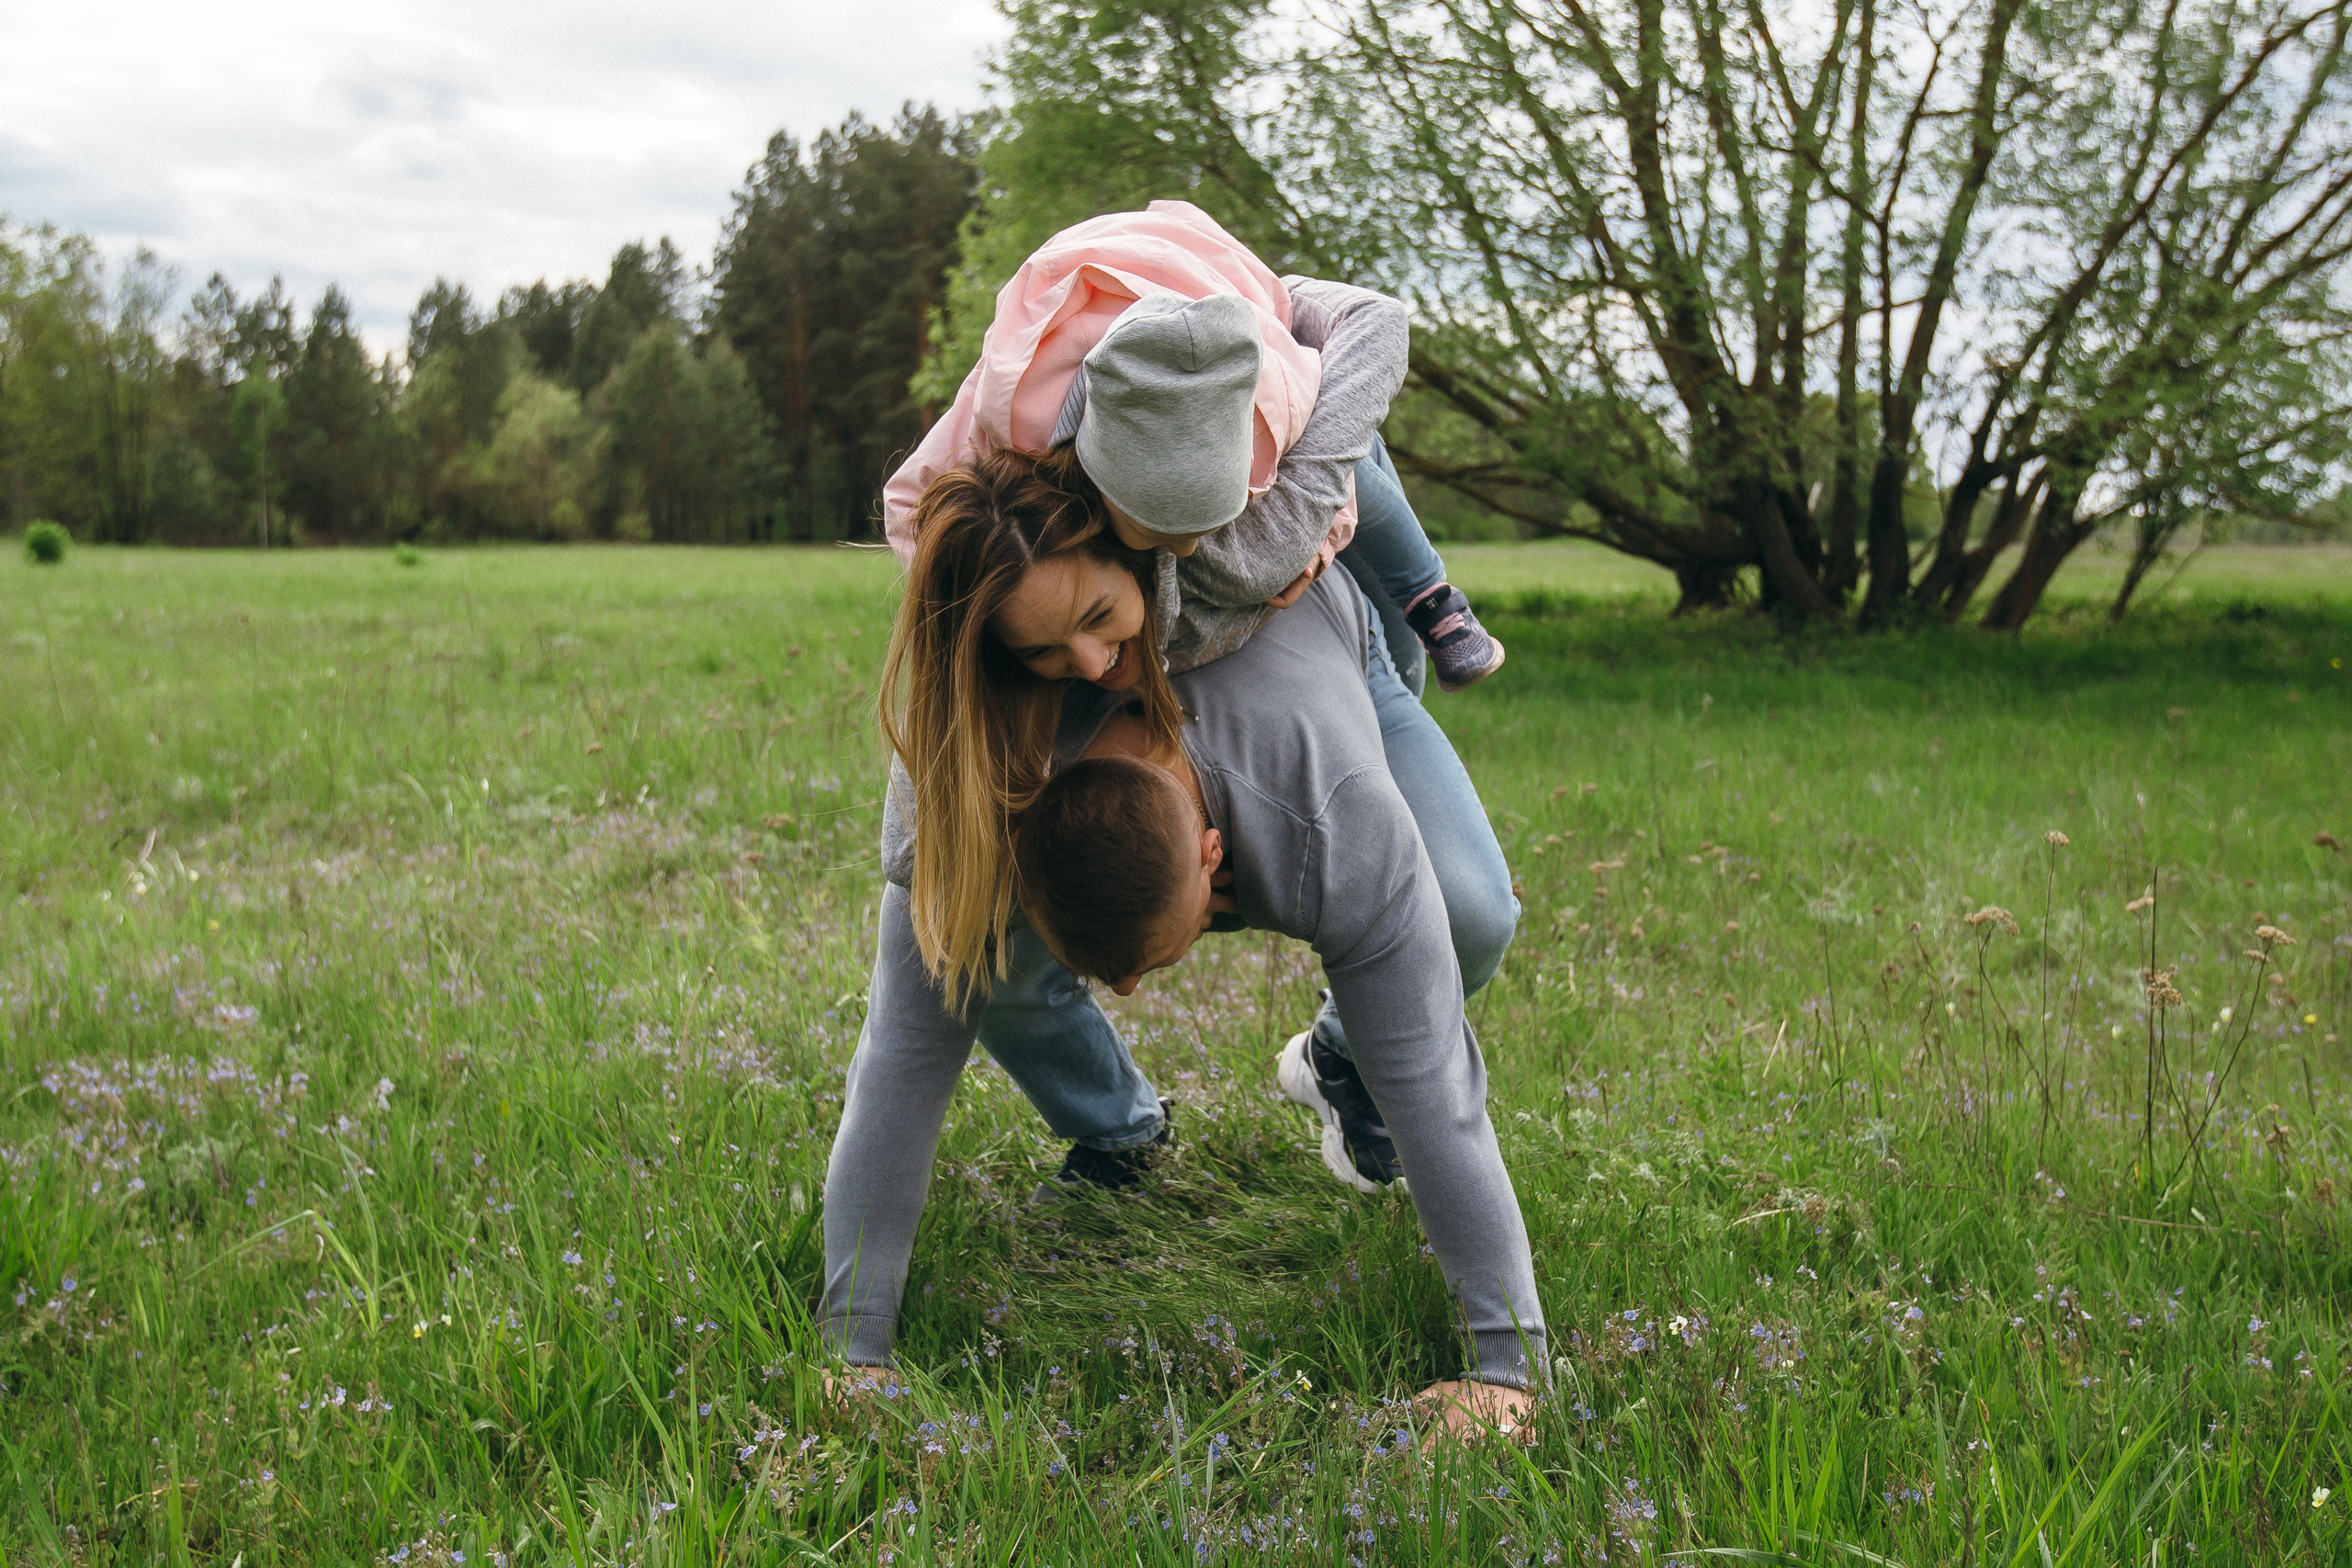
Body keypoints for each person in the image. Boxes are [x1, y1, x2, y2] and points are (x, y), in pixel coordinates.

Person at [826, 567, 1548, 1430]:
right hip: (1121, 786)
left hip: (1335, 643)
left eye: (1150, 961)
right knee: (984, 963)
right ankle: (1117, 1129)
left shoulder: (1333, 818)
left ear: (1215, 854)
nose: (1130, 992)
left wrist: (1507, 1369)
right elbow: (899, 1063)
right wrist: (853, 1348)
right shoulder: (972, 807)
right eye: (1113, 978)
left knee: (1464, 915)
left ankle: (1336, 1053)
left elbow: (1433, 1080)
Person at [883, 198, 1505, 697]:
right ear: (1096, 483)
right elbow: (909, 498)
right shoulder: (1011, 423)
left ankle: (1431, 596)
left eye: (1207, 527)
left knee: (1357, 454)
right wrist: (958, 587)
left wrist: (1313, 542)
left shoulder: (1271, 399)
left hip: (1206, 271)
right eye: (1158, 533)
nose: (1185, 551)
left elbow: (1330, 460)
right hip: (1097, 276)